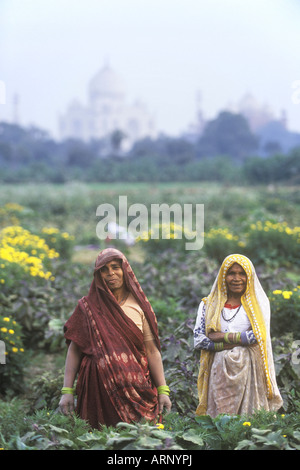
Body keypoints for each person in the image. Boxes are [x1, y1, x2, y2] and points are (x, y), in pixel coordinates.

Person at [59, 248, 171, 429]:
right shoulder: (87, 308)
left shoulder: (140, 307)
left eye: (115, 267)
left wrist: (163, 390)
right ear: (98, 274)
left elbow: (151, 351)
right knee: (96, 440)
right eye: (104, 269)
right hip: (97, 391)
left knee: (139, 442)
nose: (110, 274)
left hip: (137, 392)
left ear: (125, 270)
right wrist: (67, 391)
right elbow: (74, 350)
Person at [193, 253, 283, 417]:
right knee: (219, 417)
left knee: (248, 419)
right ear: (223, 276)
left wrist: (219, 336)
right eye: (231, 273)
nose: (237, 278)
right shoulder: (208, 304)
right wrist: (238, 340)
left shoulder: (258, 305)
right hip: (218, 370)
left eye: (242, 273)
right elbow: (199, 341)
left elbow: (256, 337)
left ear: (249, 277)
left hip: (248, 371)